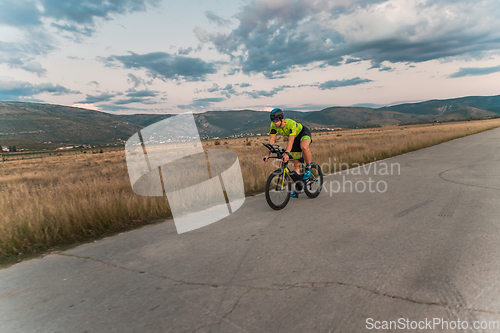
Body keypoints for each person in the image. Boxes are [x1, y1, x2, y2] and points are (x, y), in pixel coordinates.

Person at [263, 108, 313, 198]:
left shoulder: (290, 124)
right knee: (296, 164)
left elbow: (291, 140)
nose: (275, 122)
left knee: (304, 147)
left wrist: (287, 153)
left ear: (281, 118)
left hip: (302, 133)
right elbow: (271, 141)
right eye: (273, 120)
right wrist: (267, 155)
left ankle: (309, 168)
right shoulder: (273, 126)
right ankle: (298, 187)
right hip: (293, 139)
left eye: (276, 120)